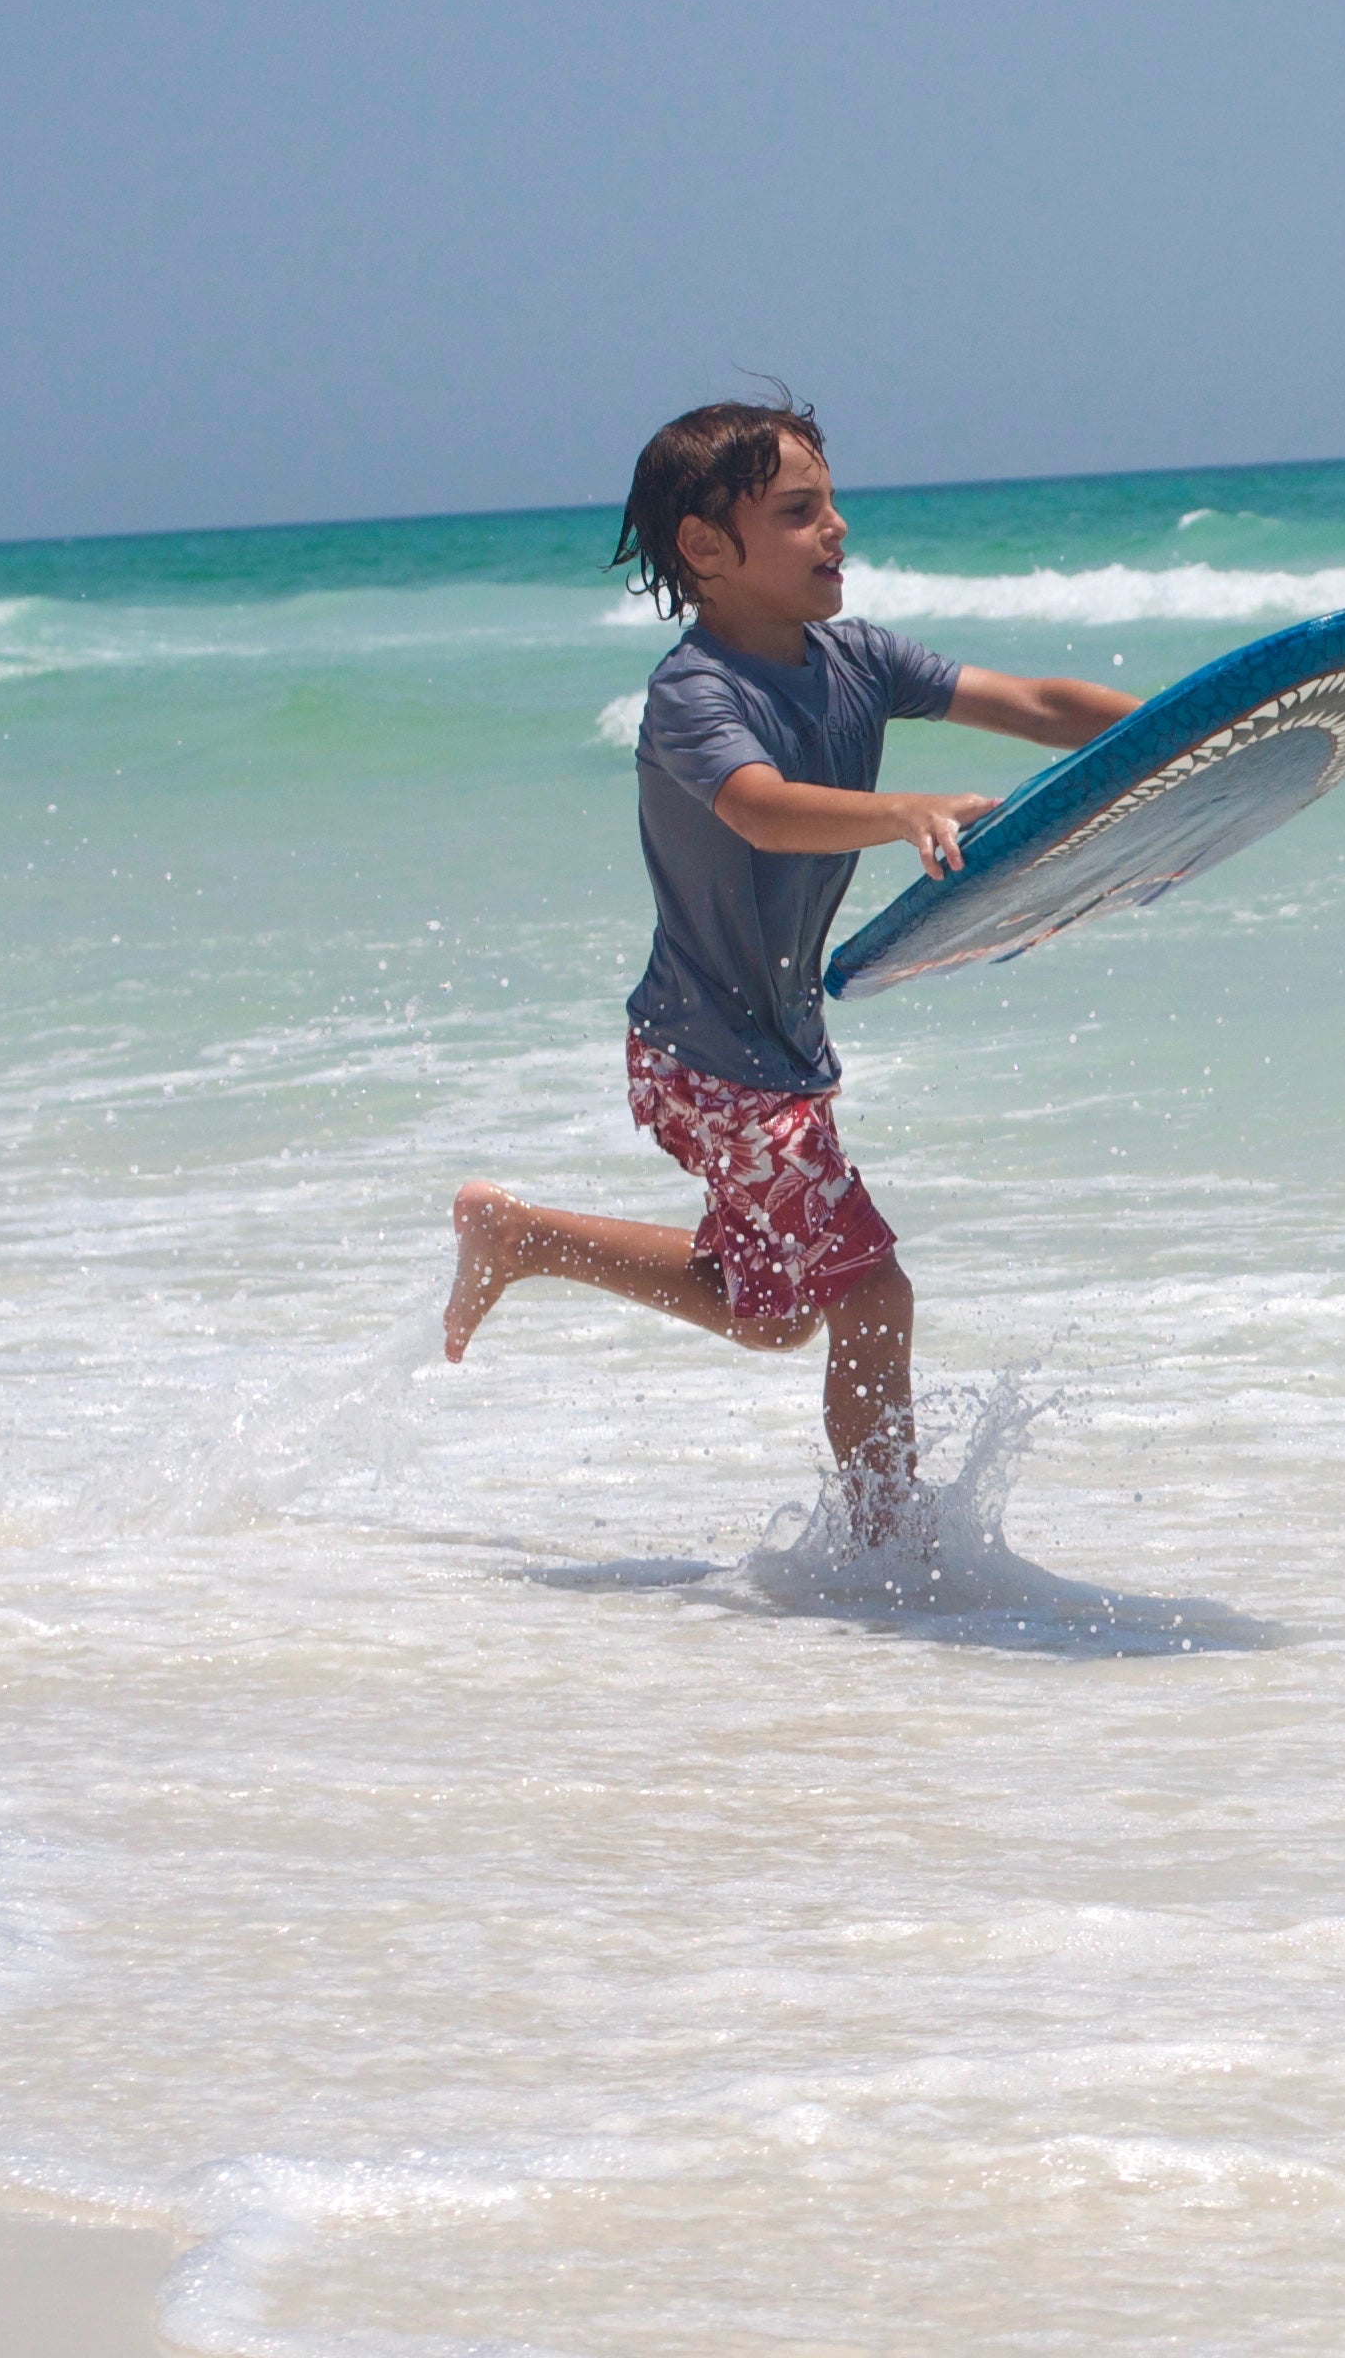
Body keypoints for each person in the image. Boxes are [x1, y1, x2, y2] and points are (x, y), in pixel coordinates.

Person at [443, 399, 1136, 1542]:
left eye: (832, 504)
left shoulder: (857, 658)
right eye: (798, 512)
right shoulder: (694, 694)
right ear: (707, 549)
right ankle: (888, 1555)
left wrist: (1193, 732)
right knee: (872, 1292)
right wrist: (898, 810)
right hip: (702, 1059)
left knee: (771, 1316)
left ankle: (524, 1237)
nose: (837, 529)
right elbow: (760, 812)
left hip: (768, 1053)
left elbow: (1029, 703)